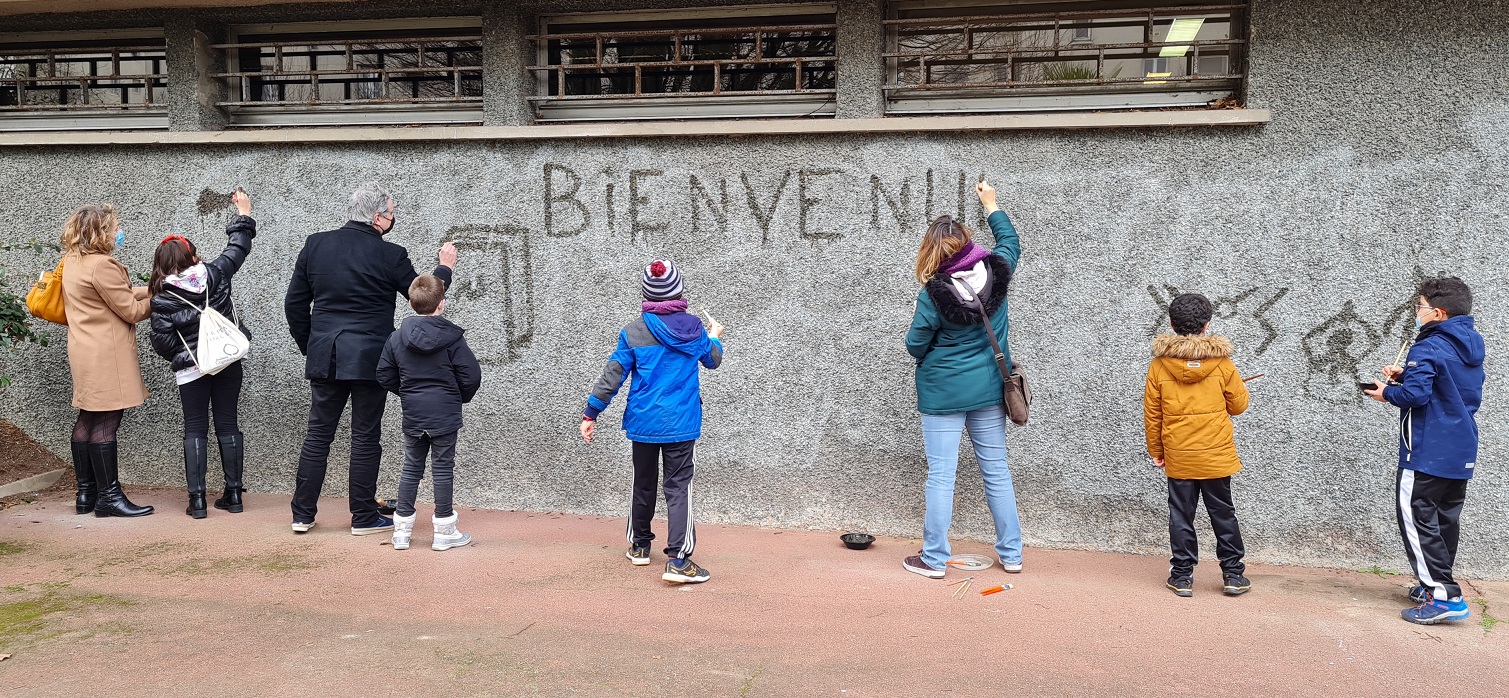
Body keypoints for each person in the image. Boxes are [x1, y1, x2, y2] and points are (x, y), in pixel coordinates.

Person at [284, 182, 457, 535]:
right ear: (378, 218)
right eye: (392, 213)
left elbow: (294, 304)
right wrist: (445, 267)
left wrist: (312, 345)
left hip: (327, 355)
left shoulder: (316, 244)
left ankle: (302, 514)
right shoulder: (391, 255)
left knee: (318, 435)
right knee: (365, 436)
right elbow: (422, 298)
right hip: (370, 357)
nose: (393, 218)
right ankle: (362, 517)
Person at [902, 181, 1023, 580]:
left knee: (941, 475)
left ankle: (934, 559)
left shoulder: (933, 294)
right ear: (969, 244)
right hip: (990, 389)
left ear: (933, 253)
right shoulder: (998, 271)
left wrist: (933, 356)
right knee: (997, 471)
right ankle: (1012, 554)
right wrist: (991, 204)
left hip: (942, 394)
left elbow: (915, 343)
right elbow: (1010, 240)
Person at [579, 260, 724, 584]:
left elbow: (612, 375)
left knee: (643, 482)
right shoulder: (694, 329)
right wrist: (714, 336)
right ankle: (679, 560)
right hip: (681, 424)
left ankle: (640, 546)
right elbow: (712, 360)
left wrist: (592, 413)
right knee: (678, 487)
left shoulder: (632, 331)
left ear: (647, 294)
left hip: (643, 423)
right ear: (678, 291)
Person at [1364, 277, 1484, 625]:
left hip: (1427, 449)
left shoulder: (1428, 347)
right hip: (1460, 447)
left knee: (1417, 518)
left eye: (1419, 307)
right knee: (1445, 519)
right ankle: (1435, 585)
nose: (1416, 313)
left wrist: (1386, 391)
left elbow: (1416, 397)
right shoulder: (1469, 344)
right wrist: (1406, 374)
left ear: (1438, 312)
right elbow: (1447, 386)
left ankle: (1445, 595)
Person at [148, 189, 255, 519]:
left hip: (191, 369)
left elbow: (162, 343)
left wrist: (186, 355)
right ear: (193, 256)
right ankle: (234, 496)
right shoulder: (215, 273)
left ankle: (197, 502)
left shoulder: (161, 297)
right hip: (227, 358)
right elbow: (238, 247)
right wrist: (244, 213)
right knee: (228, 424)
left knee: (195, 428)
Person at [1143, 293, 1251, 597]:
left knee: (1181, 514)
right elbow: (1238, 406)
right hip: (1216, 453)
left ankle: (1181, 576)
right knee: (1223, 513)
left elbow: (1152, 414)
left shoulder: (1160, 366)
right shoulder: (1223, 363)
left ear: (1171, 325)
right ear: (1207, 325)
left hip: (1179, 454)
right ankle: (1232, 574)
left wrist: (1157, 451)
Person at [59, 203, 154, 518]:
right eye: (114, 227)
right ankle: (110, 498)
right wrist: (161, 297)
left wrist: (153, 287)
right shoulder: (103, 265)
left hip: (84, 351)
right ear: (100, 232)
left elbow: (117, 293)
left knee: (87, 419)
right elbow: (131, 310)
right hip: (107, 354)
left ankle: (86, 494)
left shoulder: (73, 261)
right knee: (107, 422)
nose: (118, 232)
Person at [376, 275, 482, 551]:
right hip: (444, 413)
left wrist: (407, 391)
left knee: (411, 467)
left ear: (410, 303)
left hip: (414, 412)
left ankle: (401, 531)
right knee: (443, 468)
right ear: (442, 304)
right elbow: (471, 376)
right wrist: (457, 397)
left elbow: (383, 374)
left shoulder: (397, 338)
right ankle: (445, 530)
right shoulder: (452, 339)